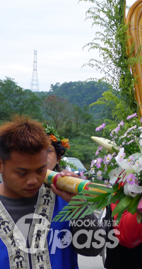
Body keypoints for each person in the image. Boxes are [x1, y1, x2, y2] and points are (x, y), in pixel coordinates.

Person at [0, 115, 101, 269]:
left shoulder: (63, 198)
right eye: (22, 173)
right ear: (1, 165)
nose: (33, 180)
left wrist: (79, 205)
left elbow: (93, 248)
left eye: (40, 170)